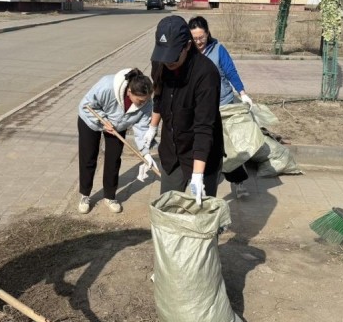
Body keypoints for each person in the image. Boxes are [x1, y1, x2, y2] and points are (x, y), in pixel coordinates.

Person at [145, 15, 224, 204]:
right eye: (164, 57)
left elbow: (204, 127)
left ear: (188, 46)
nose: (168, 63)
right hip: (172, 150)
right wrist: (152, 128)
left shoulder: (206, 74)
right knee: (168, 205)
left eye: (173, 56)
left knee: (203, 213)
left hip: (202, 151)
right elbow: (159, 96)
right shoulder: (161, 60)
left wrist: (198, 175)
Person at [188, 15, 253, 199]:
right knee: (202, 145)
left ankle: (238, 182)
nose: (198, 42)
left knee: (228, 148)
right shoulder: (188, 52)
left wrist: (242, 93)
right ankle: (206, 177)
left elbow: (231, 71)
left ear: (208, 33)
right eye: (194, 38)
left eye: (201, 37)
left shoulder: (218, 50)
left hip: (222, 105)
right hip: (199, 109)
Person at [77, 68, 157, 214]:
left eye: (146, 100)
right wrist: (103, 121)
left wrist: (146, 153)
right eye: (140, 100)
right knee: (89, 158)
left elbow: (142, 128)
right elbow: (86, 105)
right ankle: (85, 195)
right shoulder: (107, 85)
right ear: (129, 92)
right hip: (90, 119)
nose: (143, 103)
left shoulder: (146, 102)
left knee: (113, 160)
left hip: (118, 125)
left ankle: (110, 196)